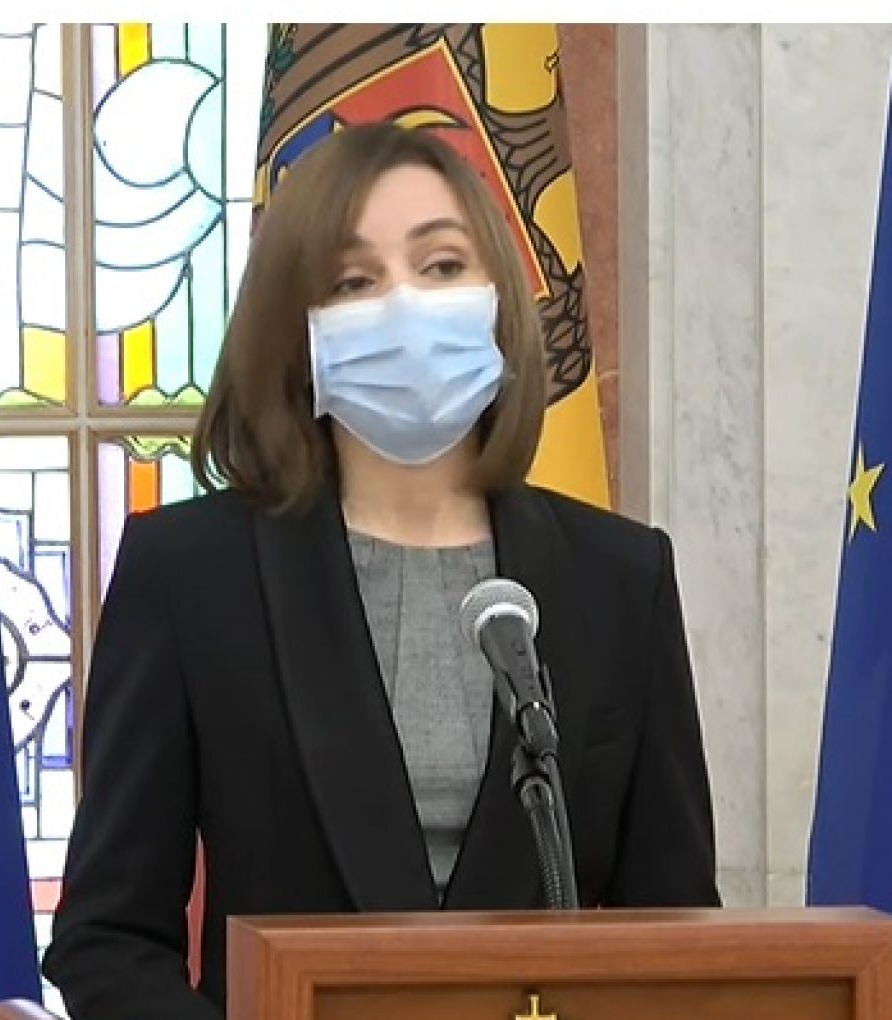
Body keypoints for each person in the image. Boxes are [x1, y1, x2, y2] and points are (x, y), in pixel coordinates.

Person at [42, 122, 719, 1020]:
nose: (405, 304)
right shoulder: (190, 575)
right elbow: (109, 938)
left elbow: (678, 933)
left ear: (498, 298)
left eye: (441, 266)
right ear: (298, 329)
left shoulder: (621, 578)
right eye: (354, 282)